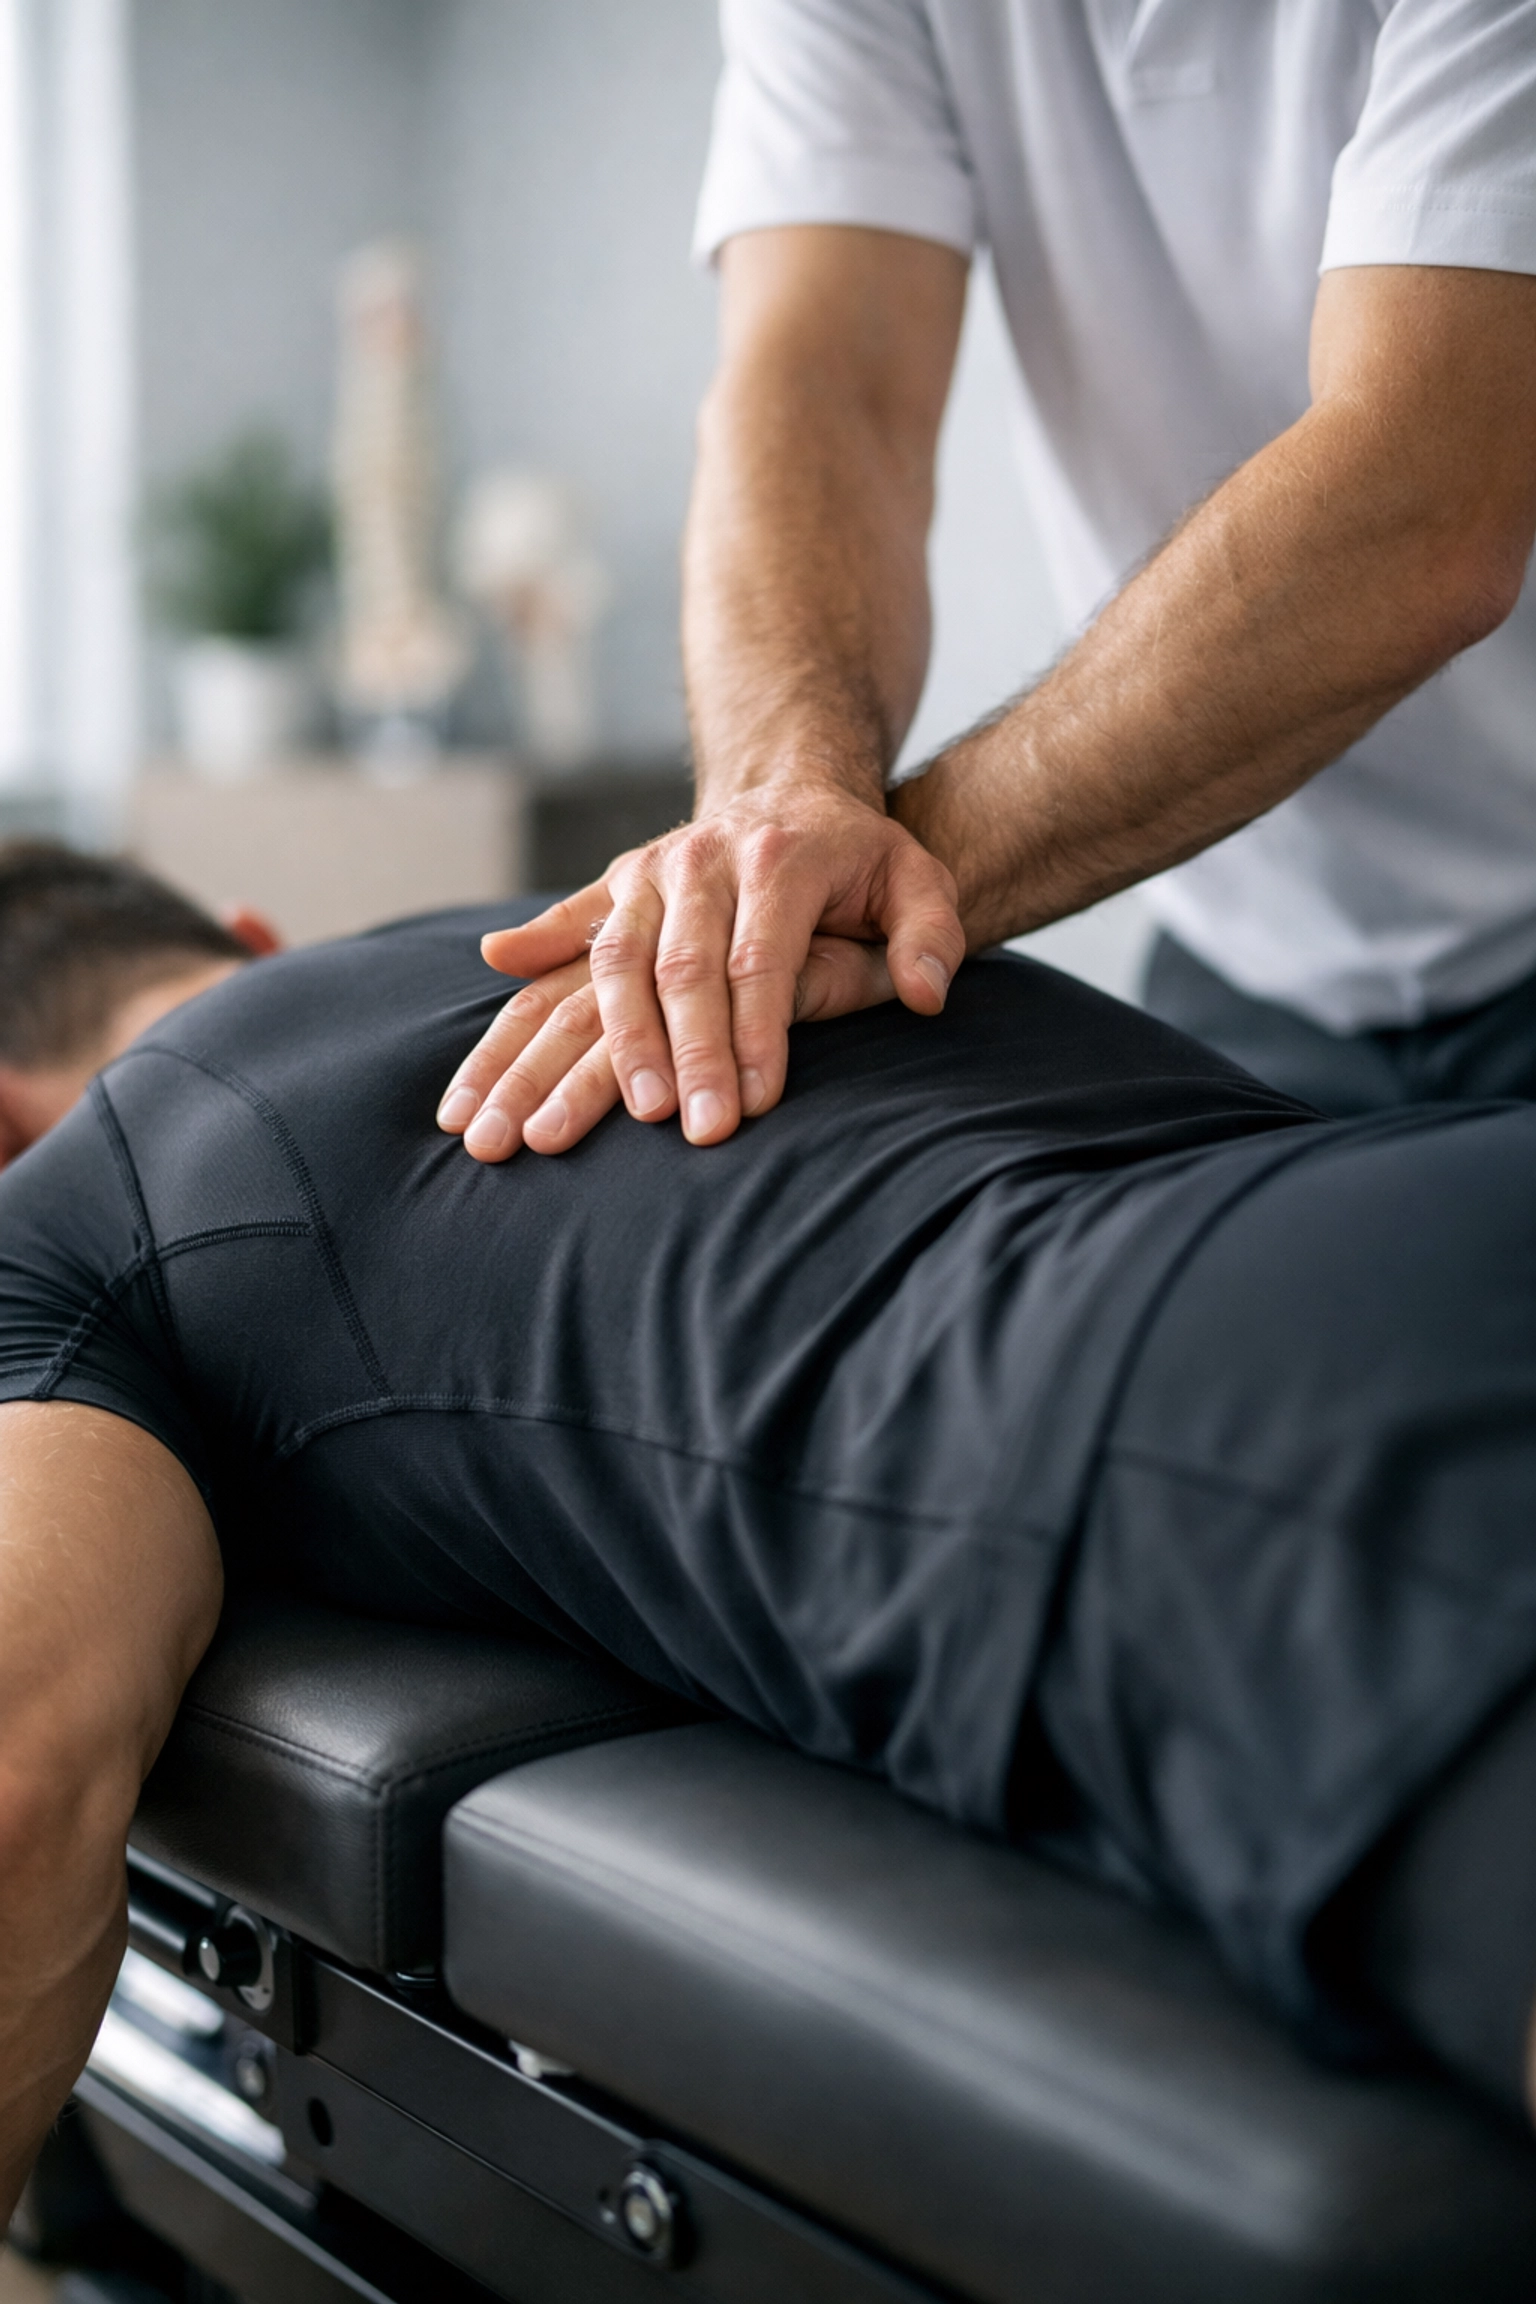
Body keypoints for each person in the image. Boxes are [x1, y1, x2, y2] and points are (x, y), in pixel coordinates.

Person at [2, 842, 1536, 2223]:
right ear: (258, 934)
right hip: (1425, 1188)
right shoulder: (633, 912)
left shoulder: (63, 1214)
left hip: (1248, 1448)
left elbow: (16, 1783)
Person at [434, 0, 1536, 1162]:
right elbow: (822, 390)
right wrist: (777, 814)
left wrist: (853, 895)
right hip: (1243, 948)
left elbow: (1426, 493)